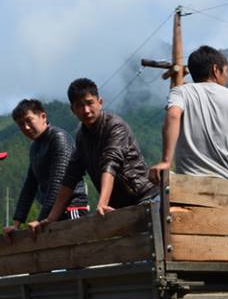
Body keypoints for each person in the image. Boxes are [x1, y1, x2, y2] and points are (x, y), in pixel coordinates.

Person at [35, 78, 158, 228]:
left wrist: (102, 203)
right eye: (79, 106)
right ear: (72, 110)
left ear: (100, 102)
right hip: (120, 208)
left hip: (144, 197)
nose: (86, 110)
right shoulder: (81, 136)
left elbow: (110, 163)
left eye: (89, 103)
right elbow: (70, 177)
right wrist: (51, 218)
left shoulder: (115, 126)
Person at [148, 45, 228, 184]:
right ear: (216, 70)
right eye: (226, 71)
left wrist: (166, 161)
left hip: (188, 184)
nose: (227, 76)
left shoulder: (181, 92)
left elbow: (173, 114)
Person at [5, 99, 88, 237]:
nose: (26, 127)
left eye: (29, 120)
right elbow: (30, 186)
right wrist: (16, 223)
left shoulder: (58, 138)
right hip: (51, 213)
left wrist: (41, 219)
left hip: (71, 209)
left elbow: (57, 182)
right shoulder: (35, 147)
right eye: (21, 124)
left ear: (43, 116)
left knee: (76, 253)